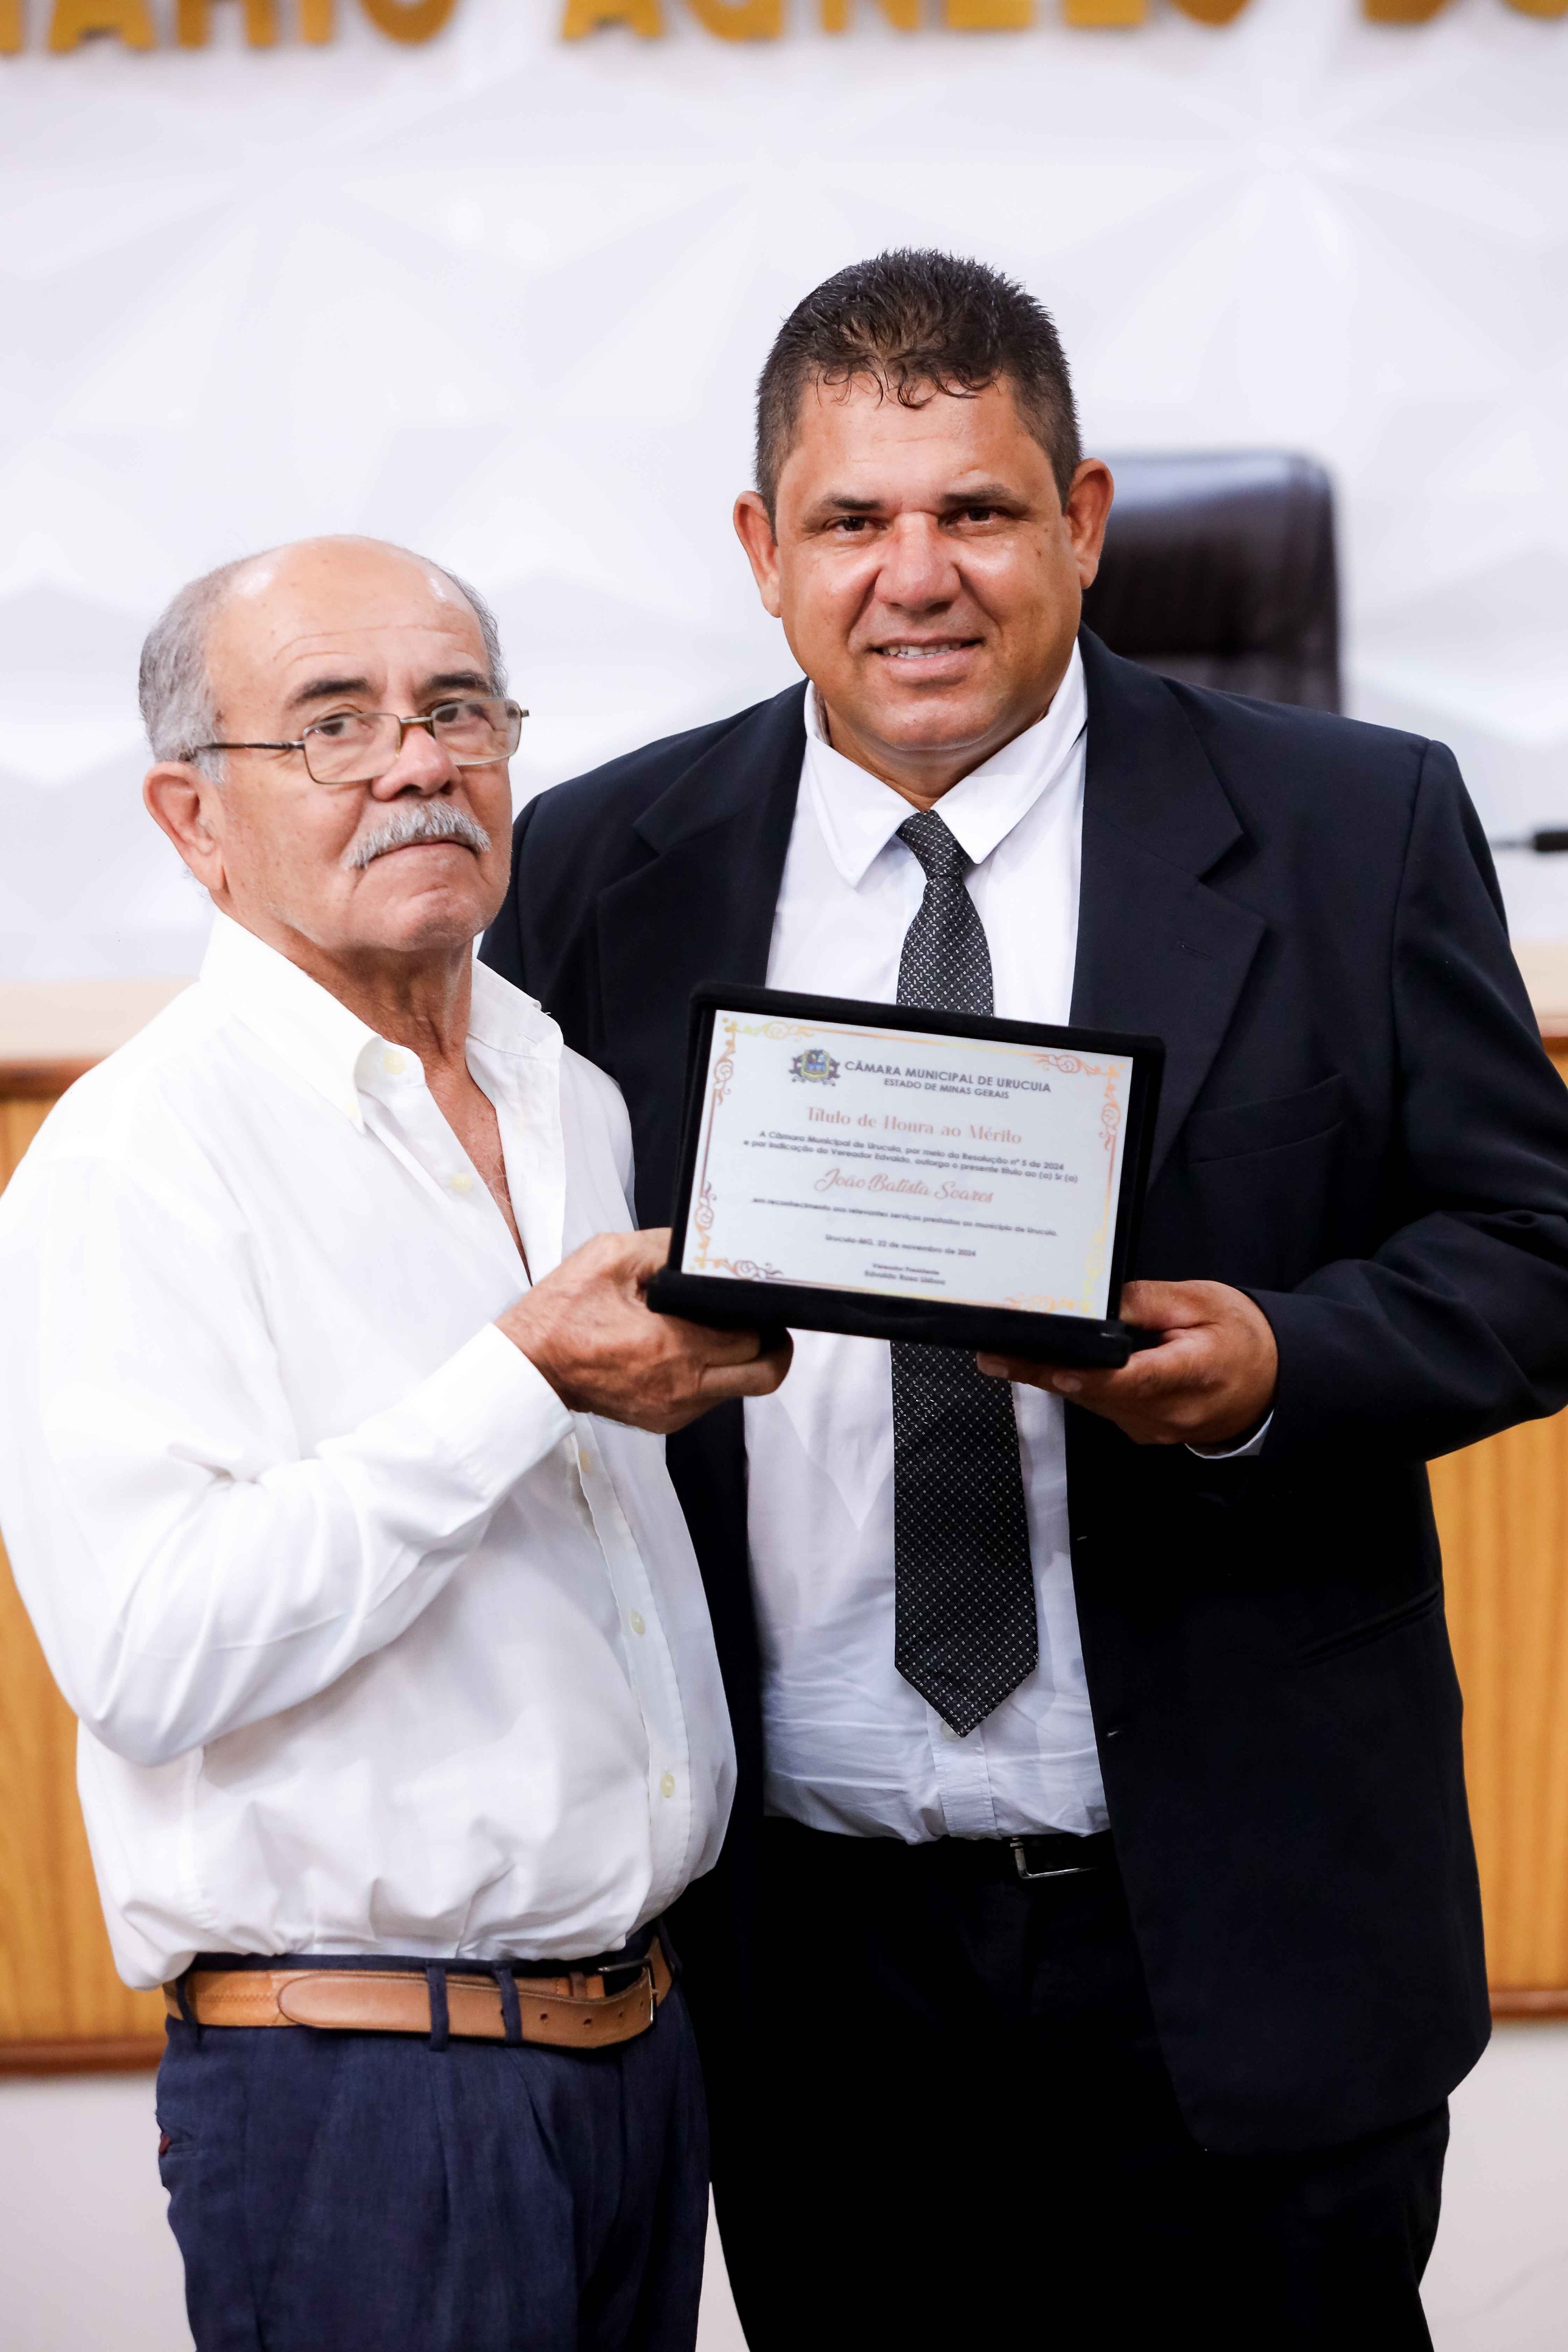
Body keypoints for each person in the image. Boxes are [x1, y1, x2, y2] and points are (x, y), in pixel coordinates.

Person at [481, 250, 1568, 2348]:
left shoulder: (1351, 826)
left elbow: (1536, 1250)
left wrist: (1280, 1367)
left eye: (976, 510)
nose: (919, 577)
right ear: (763, 552)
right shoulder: (600, 870)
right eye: (853, 521)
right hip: (807, 1953)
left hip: (1240, 1928)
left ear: (1080, 520)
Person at [0, 535, 789, 2352]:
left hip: (639, 2049)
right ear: (194, 820)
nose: (418, 763)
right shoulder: (135, 1160)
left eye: (457, 709)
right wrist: (518, 1379)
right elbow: (150, 1655)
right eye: (333, 726)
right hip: (366, 2093)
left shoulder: (565, 1089)